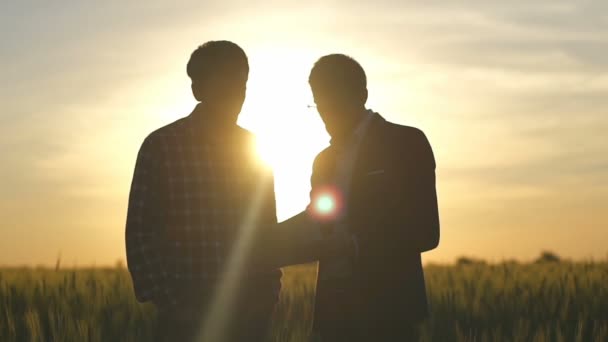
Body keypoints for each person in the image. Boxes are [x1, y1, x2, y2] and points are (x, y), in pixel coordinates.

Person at [125, 41, 280, 342]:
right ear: (198, 90)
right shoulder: (161, 147)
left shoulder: (257, 148)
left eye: (241, 85)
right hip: (183, 320)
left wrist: (267, 297)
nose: (235, 96)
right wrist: (173, 304)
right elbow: (140, 233)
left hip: (248, 318)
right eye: (224, 85)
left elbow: (267, 231)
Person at [305, 54, 440, 341]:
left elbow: (426, 232)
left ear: (362, 95)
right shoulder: (323, 161)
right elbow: (320, 221)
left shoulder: (406, 143)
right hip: (334, 317)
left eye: (334, 102)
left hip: (389, 315)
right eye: (319, 104)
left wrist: (354, 245)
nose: (326, 114)